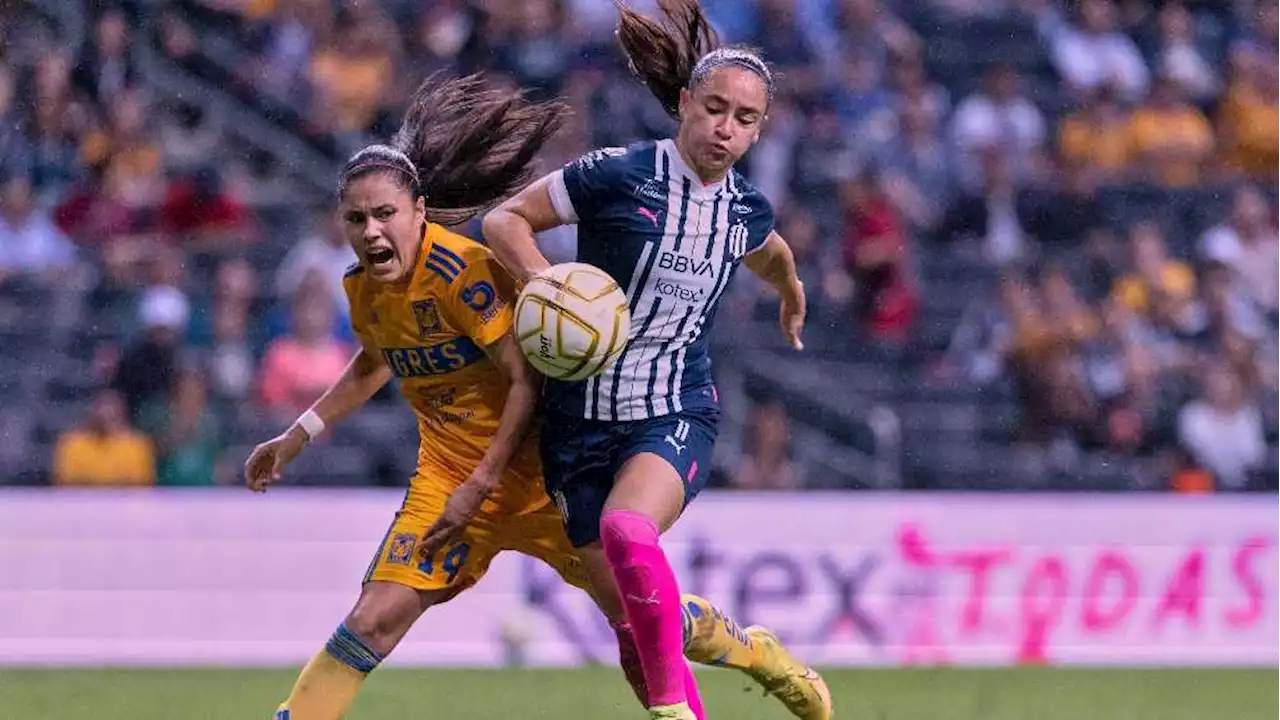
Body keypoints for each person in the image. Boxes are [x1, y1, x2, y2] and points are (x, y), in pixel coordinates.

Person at [245, 74, 814, 720]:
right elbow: (376, 359)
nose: (373, 232)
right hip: (449, 481)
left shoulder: (466, 277)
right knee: (373, 621)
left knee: (644, 625)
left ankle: (745, 648)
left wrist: (482, 481)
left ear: (419, 213)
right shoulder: (364, 290)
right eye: (357, 219)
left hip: (537, 475)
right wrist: (299, 433)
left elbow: (528, 378)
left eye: (385, 215)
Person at [482, 3, 827, 720]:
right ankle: (750, 651)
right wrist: (545, 281)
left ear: (760, 129)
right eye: (714, 109)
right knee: (636, 631)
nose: (725, 128)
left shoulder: (745, 212)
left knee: (626, 531)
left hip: (672, 411)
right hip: (575, 423)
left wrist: (792, 294)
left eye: (744, 118)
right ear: (683, 105)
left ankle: (674, 715)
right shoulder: (616, 175)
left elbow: (772, 255)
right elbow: (503, 219)